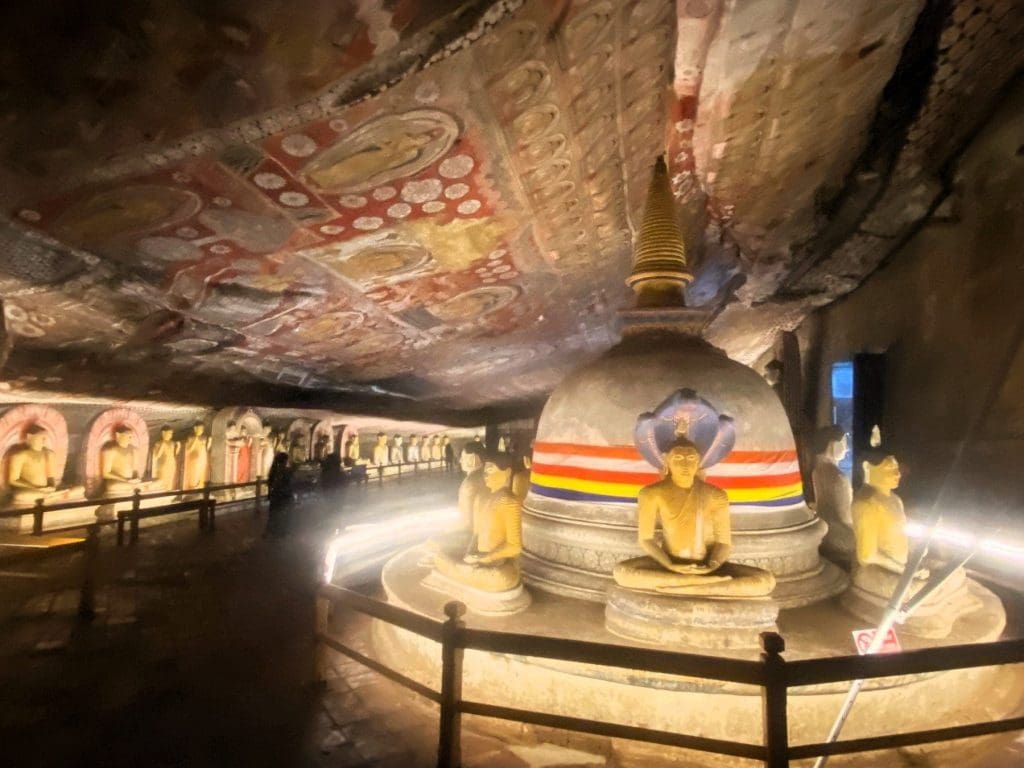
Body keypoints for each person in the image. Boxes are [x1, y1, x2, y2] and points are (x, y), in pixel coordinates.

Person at [265, 452, 293, 538]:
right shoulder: (285, 471)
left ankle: (271, 531)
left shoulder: (274, 471)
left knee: (274, 515)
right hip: (282, 496)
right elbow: (288, 484)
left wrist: (270, 494)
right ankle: (280, 532)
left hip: (276, 496)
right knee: (282, 515)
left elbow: (271, 484)